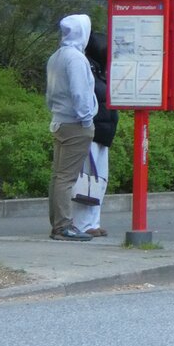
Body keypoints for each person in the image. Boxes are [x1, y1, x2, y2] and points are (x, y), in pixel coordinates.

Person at [45, 14, 98, 241]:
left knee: (58, 177)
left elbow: (50, 93)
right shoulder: (76, 59)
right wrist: (86, 119)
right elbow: (80, 93)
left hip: (59, 121)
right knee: (67, 178)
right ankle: (64, 226)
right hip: (75, 124)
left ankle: (58, 224)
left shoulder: (56, 56)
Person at [71, 31, 118, 239]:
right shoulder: (87, 68)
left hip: (104, 131)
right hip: (93, 128)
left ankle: (92, 222)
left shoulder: (100, 70)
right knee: (87, 178)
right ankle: (82, 223)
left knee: (99, 179)